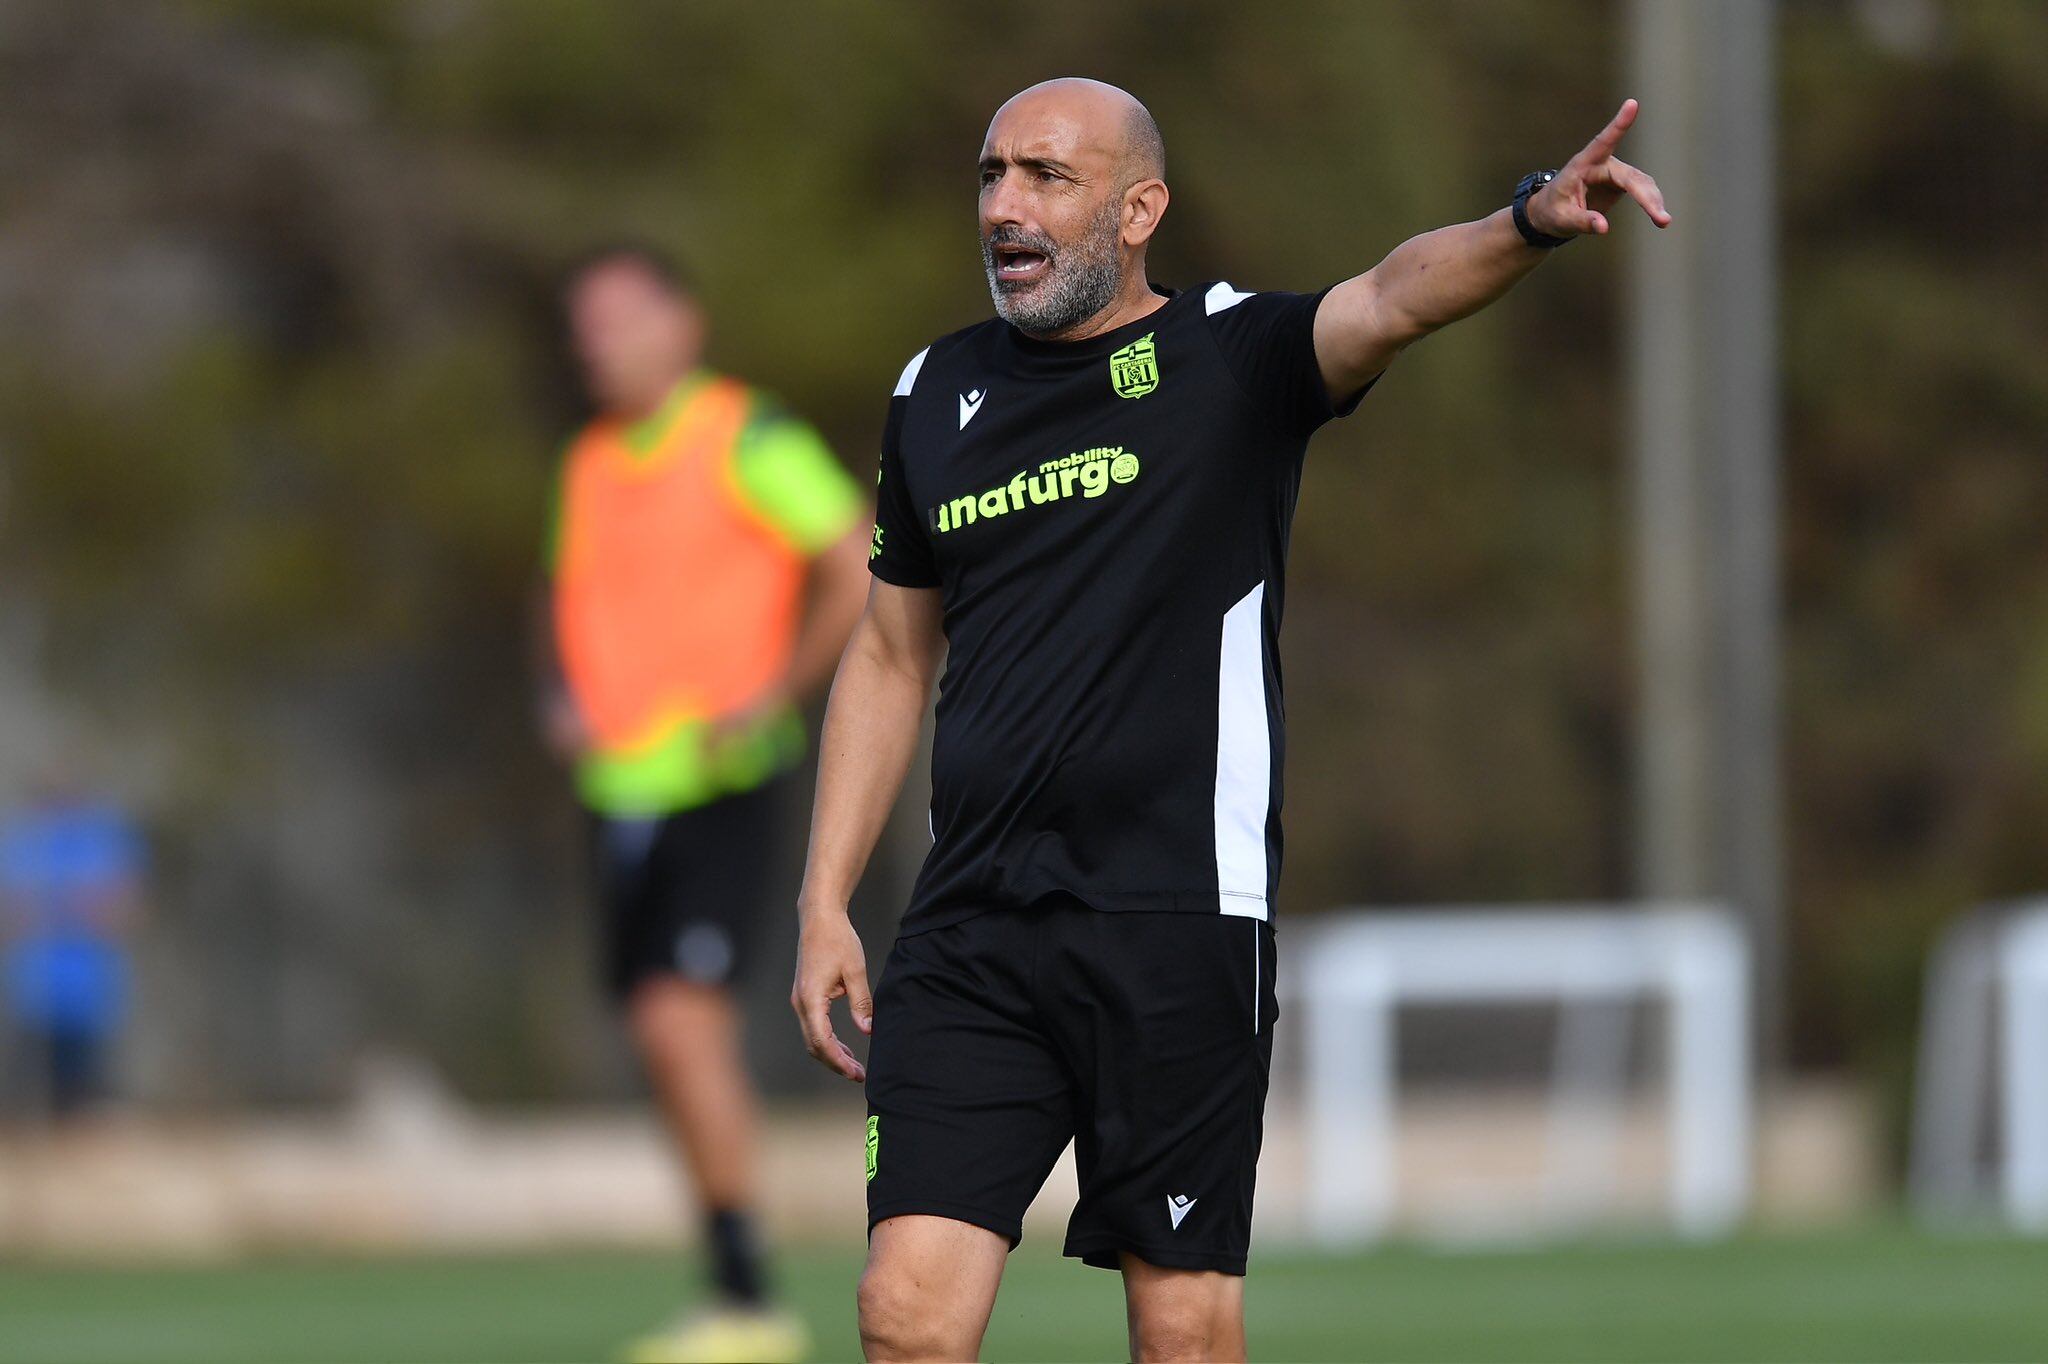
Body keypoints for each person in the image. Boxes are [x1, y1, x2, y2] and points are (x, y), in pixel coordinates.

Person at [790, 78, 1671, 1362]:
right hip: (970, 927)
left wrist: (1527, 219)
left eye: (1045, 176)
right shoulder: (936, 389)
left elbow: (1392, 292)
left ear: (1137, 208)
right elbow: (883, 651)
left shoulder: (1226, 355)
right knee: (904, 1313)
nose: (1002, 206)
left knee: (1183, 1325)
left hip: (1175, 920)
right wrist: (826, 896)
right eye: (990, 174)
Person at [546, 244, 869, 1364]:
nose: (599, 341)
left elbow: (851, 557)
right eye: (584, 323)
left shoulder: (744, 433)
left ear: (683, 324)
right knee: (653, 1027)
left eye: (622, 317)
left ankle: (747, 1297)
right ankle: (728, 1278)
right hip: (617, 790)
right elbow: (580, 602)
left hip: (719, 778)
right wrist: (567, 696)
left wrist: (770, 693)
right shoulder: (589, 459)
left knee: (683, 1019)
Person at [1, 772, 147, 1123]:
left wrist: (66, 906)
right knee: (28, 1101)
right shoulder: (22, 840)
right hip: (32, 993)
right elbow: (11, 912)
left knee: (84, 1100)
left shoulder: (104, 839)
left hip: (89, 993)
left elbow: (124, 907)